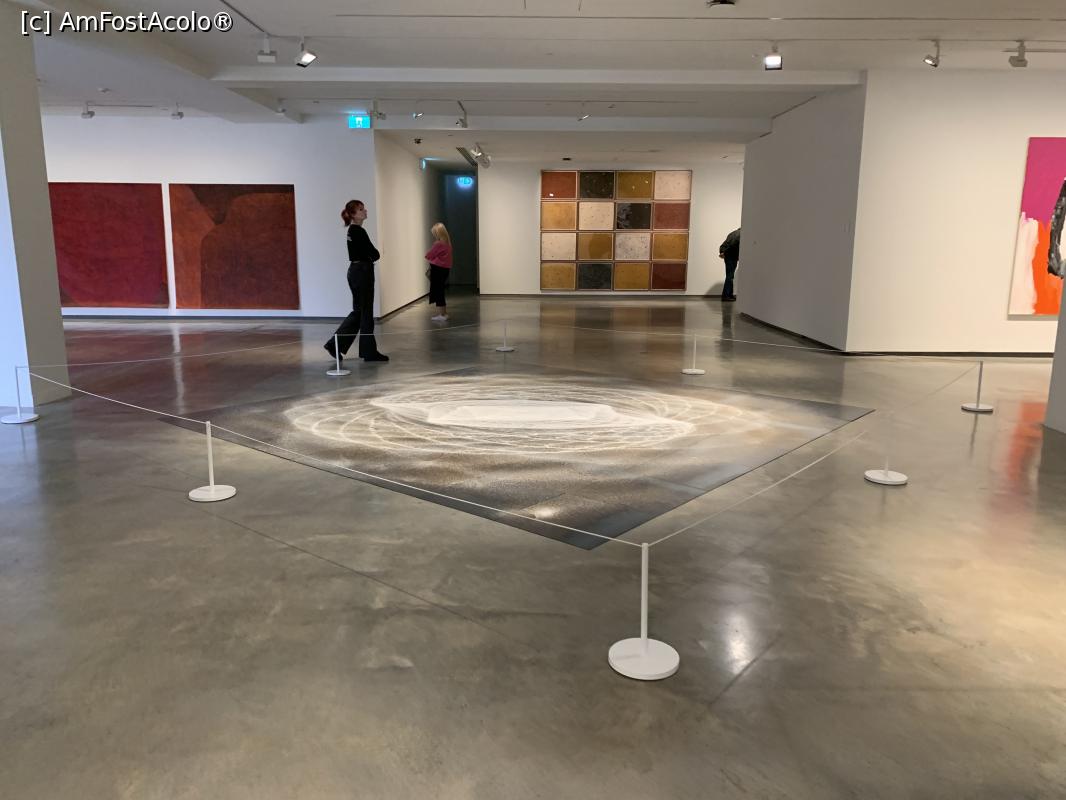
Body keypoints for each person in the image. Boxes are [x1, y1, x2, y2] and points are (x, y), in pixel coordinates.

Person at [324, 200, 389, 363]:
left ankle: (335, 344)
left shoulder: (352, 231)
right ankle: (368, 352)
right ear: (353, 214)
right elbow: (374, 254)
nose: (365, 211)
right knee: (365, 312)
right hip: (362, 272)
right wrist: (372, 255)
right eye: (361, 209)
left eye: (363, 208)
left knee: (359, 311)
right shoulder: (358, 231)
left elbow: (370, 253)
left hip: (355, 271)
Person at [425, 223, 453, 321]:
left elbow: (428, 255)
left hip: (437, 270)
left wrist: (432, 258)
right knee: (440, 291)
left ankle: (442, 314)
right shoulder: (448, 244)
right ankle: (444, 313)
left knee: (438, 291)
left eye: (434, 233)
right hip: (445, 270)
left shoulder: (438, 244)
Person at [719, 227, 741, 302]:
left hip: (729, 256)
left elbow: (724, 244)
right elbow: (733, 245)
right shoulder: (740, 234)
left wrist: (722, 252)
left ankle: (729, 295)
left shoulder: (732, 233)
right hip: (731, 257)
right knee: (730, 276)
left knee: (730, 276)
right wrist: (724, 253)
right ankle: (726, 296)